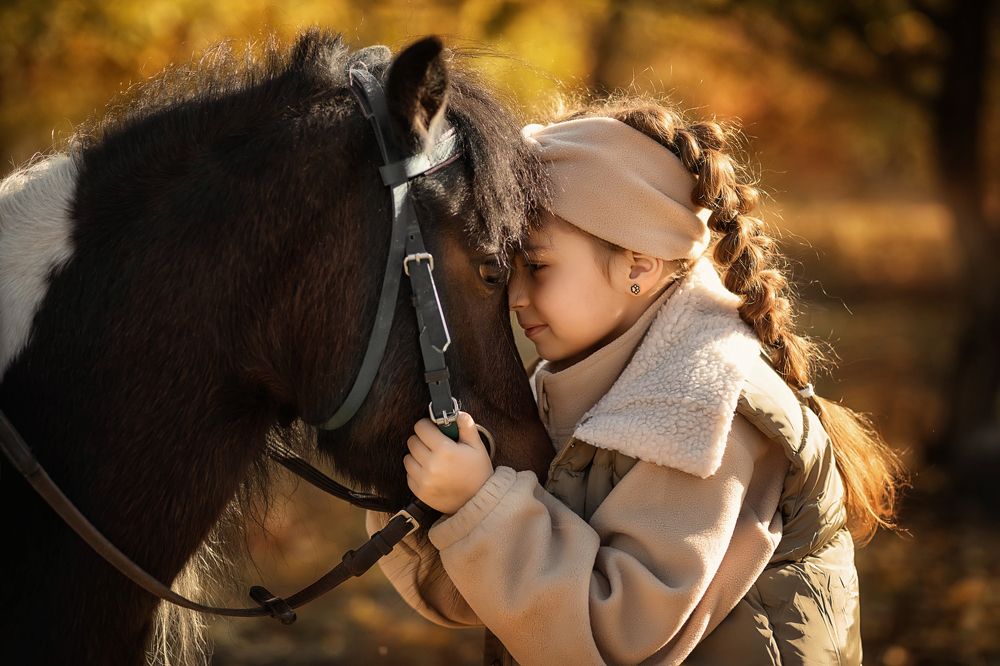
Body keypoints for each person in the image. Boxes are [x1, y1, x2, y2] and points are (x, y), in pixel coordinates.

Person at [366, 97, 904, 665]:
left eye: (539, 265)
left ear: (639, 266)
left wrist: (479, 504)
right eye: (509, 267)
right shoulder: (579, 382)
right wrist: (426, 488)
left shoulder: (702, 409)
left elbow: (611, 637)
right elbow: (501, 604)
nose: (516, 295)